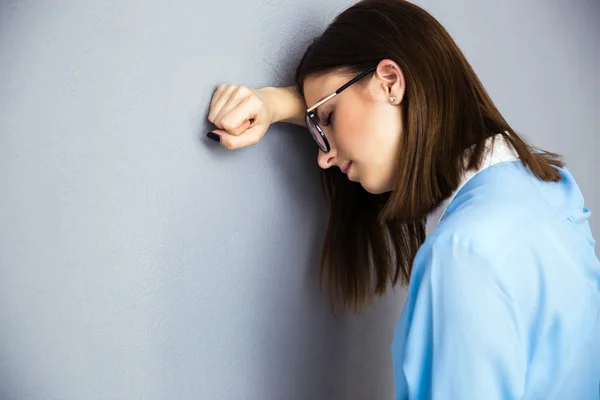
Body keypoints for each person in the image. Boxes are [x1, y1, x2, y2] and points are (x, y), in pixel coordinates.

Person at [206, 0, 600, 398]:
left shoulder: (463, 252)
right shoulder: (551, 191)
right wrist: (279, 105)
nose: (324, 157)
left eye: (327, 119)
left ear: (391, 82)